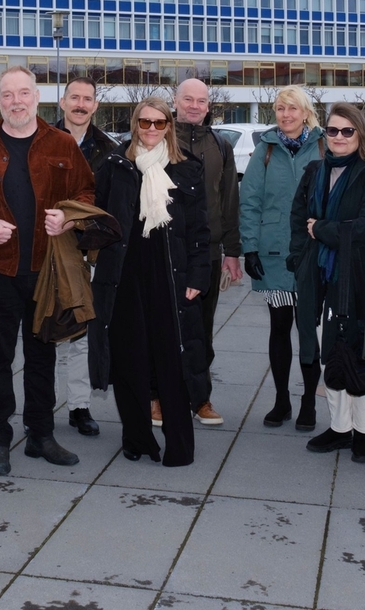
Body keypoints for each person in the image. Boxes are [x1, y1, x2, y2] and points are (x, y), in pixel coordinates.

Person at [0, 66, 97, 475]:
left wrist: (67, 218)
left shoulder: (63, 143)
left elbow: (86, 192)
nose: (17, 101)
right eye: (8, 94)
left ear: (37, 97)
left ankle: (40, 435)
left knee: (42, 355)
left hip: (45, 271)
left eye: (24, 93)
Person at [94, 98, 210, 465]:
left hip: (171, 274)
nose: (151, 129)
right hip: (125, 275)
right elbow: (97, 217)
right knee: (130, 360)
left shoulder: (186, 168)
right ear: (134, 124)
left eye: (160, 123)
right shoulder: (115, 166)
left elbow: (200, 230)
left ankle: (179, 444)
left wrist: (197, 276)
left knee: (172, 361)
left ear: (169, 127)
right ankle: (137, 438)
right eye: (145, 122)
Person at [289, 103, 365, 465]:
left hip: (359, 277)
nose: (339, 137)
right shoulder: (315, 170)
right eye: (333, 130)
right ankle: (339, 427)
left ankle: (363, 433)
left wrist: (324, 230)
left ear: (360, 133)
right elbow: (299, 218)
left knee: (361, 352)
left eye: (347, 131)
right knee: (327, 348)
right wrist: (299, 257)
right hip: (319, 275)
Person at [240, 86, 326, 430]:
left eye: (293, 108)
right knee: (279, 328)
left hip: (312, 253)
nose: (286, 114)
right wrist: (249, 247)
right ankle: (281, 400)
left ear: (305, 112)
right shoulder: (264, 150)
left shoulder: (322, 146)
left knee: (309, 329)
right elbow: (249, 203)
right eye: (280, 108)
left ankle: (309, 402)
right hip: (273, 253)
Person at [172, 77, 243, 427]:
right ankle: (160, 396)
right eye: (188, 99)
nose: (194, 106)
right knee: (166, 327)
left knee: (203, 329)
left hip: (209, 254)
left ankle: (201, 398)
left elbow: (230, 200)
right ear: (176, 100)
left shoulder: (221, 145)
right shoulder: (160, 137)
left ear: (209, 106)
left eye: (201, 100)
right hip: (168, 253)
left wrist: (233, 251)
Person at [53, 76, 117, 436]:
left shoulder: (109, 148)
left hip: (86, 252)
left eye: (87, 99)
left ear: (95, 106)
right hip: (45, 249)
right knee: (43, 330)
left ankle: (79, 407)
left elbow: (109, 206)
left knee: (80, 332)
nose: (80, 104)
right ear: (62, 102)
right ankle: (41, 405)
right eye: (74, 97)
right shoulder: (40, 141)